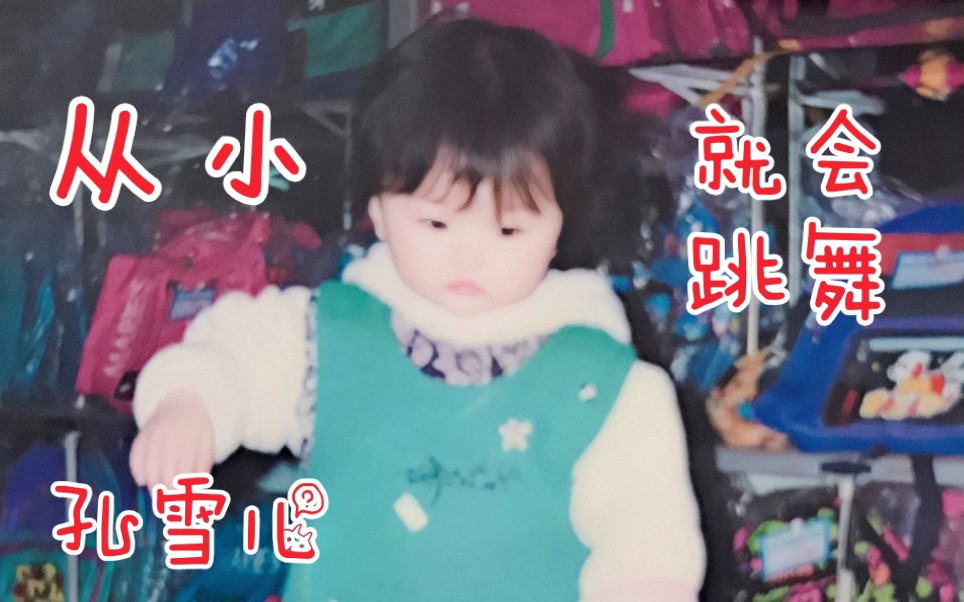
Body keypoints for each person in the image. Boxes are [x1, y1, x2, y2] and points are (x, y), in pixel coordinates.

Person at [129, 17, 705, 601]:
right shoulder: (326, 340)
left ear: (559, 226)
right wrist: (189, 405)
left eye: (508, 229)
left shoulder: (603, 386)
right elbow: (234, 358)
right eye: (435, 223)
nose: (468, 255)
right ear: (379, 212)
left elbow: (647, 539)